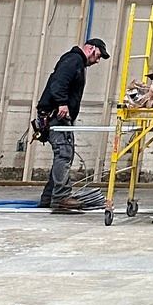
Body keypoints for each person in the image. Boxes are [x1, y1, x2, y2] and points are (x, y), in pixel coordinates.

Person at [35, 37, 108, 210]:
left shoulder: (76, 62)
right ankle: (61, 197)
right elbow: (58, 82)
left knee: (64, 154)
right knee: (63, 154)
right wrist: (61, 102)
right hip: (56, 116)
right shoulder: (73, 60)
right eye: (98, 55)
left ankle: (49, 198)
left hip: (59, 117)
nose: (98, 60)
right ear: (90, 48)